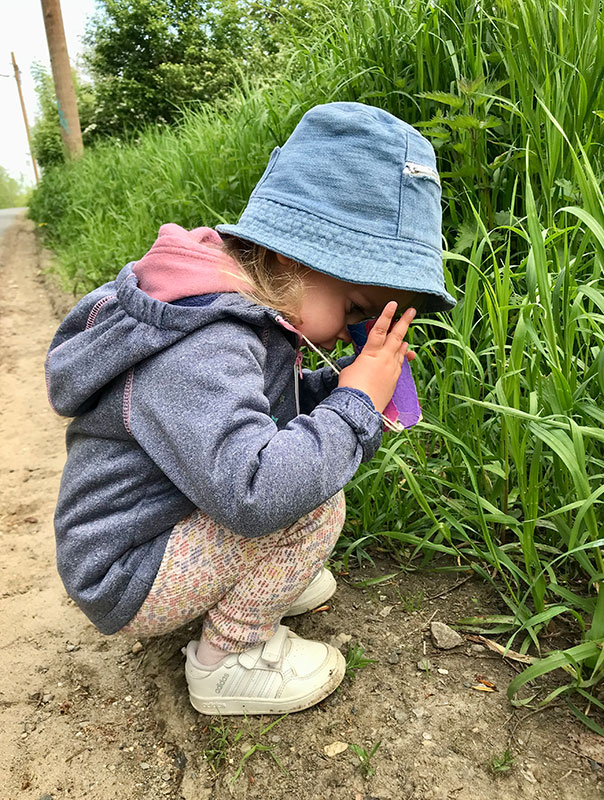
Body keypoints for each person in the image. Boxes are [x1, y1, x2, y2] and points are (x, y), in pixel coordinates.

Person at [45, 102, 455, 716]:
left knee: (304, 472)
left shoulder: (233, 307)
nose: (350, 331)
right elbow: (255, 491)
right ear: (294, 256)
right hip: (125, 569)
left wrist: (339, 387)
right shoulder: (202, 342)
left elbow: (257, 414)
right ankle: (229, 660)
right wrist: (355, 406)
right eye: (354, 308)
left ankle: (252, 580)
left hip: (156, 531)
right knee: (313, 507)